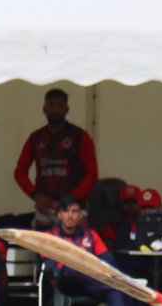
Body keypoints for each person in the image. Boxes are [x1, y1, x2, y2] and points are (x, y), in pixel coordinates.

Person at [44, 195, 138, 306]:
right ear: (59, 215)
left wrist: (110, 274)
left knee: (115, 292)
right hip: (64, 282)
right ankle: (121, 282)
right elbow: (50, 265)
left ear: (81, 216)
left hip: (91, 283)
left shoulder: (90, 235)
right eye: (66, 212)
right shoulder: (50, 236)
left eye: (75, 212)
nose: (71, 216)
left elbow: (108, 260)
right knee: (73, 266)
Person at [13, 88, 98, 228]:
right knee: (43, 249)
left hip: (74, 207)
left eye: (59, 105)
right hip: (45, 208)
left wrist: (72, 199)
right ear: (44, 109)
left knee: (75, 248)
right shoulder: (36, 138)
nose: (54, 109)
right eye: (51, 105)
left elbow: (92, 174)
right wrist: (35, 195)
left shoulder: (80, 136)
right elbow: (19, 172)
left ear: (66, 109)